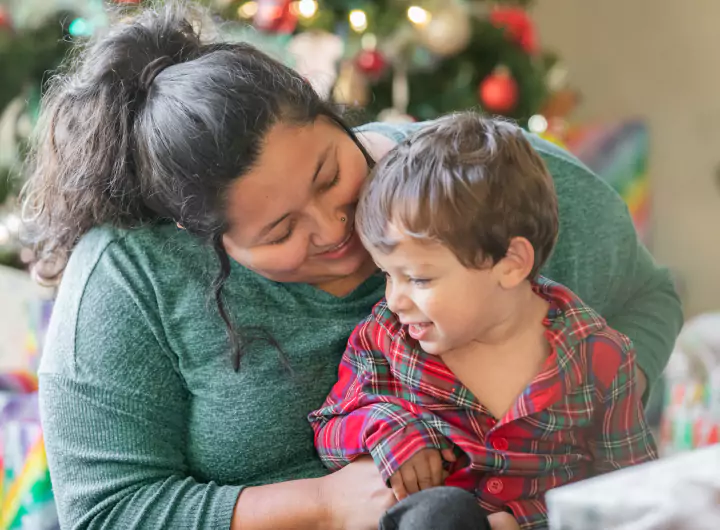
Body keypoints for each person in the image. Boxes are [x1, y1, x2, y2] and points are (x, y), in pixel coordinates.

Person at [21, 2, 681, 529]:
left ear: (328, 110)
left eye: (329, 174)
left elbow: (645, 302)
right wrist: (323, 505)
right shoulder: (128, 276)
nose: (336, 229)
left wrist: (551, 461)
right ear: (202, 237)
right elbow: (106, 511)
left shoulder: (484, 184)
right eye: (281, 231)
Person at [309, 113, 659, 530]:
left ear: (510, 265)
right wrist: (386, 425)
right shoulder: (386, 338)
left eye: (418, 278)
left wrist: (520, 521)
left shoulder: (597, 355)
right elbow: (329, 432)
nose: (394, 299)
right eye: (387, 274)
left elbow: (632, 488)